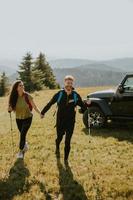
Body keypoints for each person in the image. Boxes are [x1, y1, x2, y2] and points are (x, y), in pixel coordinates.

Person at [41, 75, 87, 164]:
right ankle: (57, 144)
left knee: (68, 141)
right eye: (67, 83)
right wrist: (43, 112)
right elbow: (50, 103)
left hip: (71, 122)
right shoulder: (60, 94)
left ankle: (66, 160)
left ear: (72, 84)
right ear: (64, 83)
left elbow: (83, 106)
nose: (69, 85)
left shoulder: (75, 95)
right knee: (59, 137)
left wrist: (88, 104)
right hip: (60, 121)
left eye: (70, 83)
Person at [8, 80, 41, 159]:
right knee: (22, 134)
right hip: (18, 119)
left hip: (28, 118)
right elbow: (10, 109)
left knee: (22, 134)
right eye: (20, 85)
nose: (22, 86)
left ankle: (20, 152)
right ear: (16, 88)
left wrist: (40, 113)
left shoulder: (27, 96)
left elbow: (35, 106)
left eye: (22, 85)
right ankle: (25, 145)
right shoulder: (14, 97)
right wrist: (9, 109)